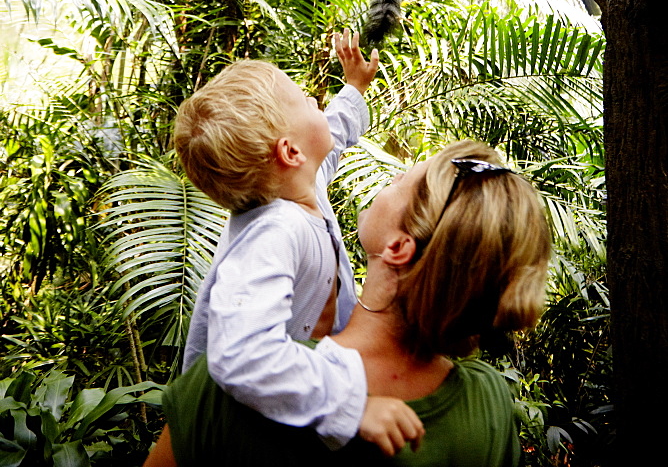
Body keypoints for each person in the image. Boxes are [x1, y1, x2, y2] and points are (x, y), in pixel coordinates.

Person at [144, 139, 551, 467]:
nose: (390, 176)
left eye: (400, 181)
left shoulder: (238, 378)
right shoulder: (488, 408)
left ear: (397, 247)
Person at [171, 30, 423, 453]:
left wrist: (355, 86)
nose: (314, 101)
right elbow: (242, 352)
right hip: (238, 425)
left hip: (281, 404)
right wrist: (350, 406)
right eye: (304, 100)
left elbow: (334, 133)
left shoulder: (301, 186)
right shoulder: (278, 229)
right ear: (290, 152)